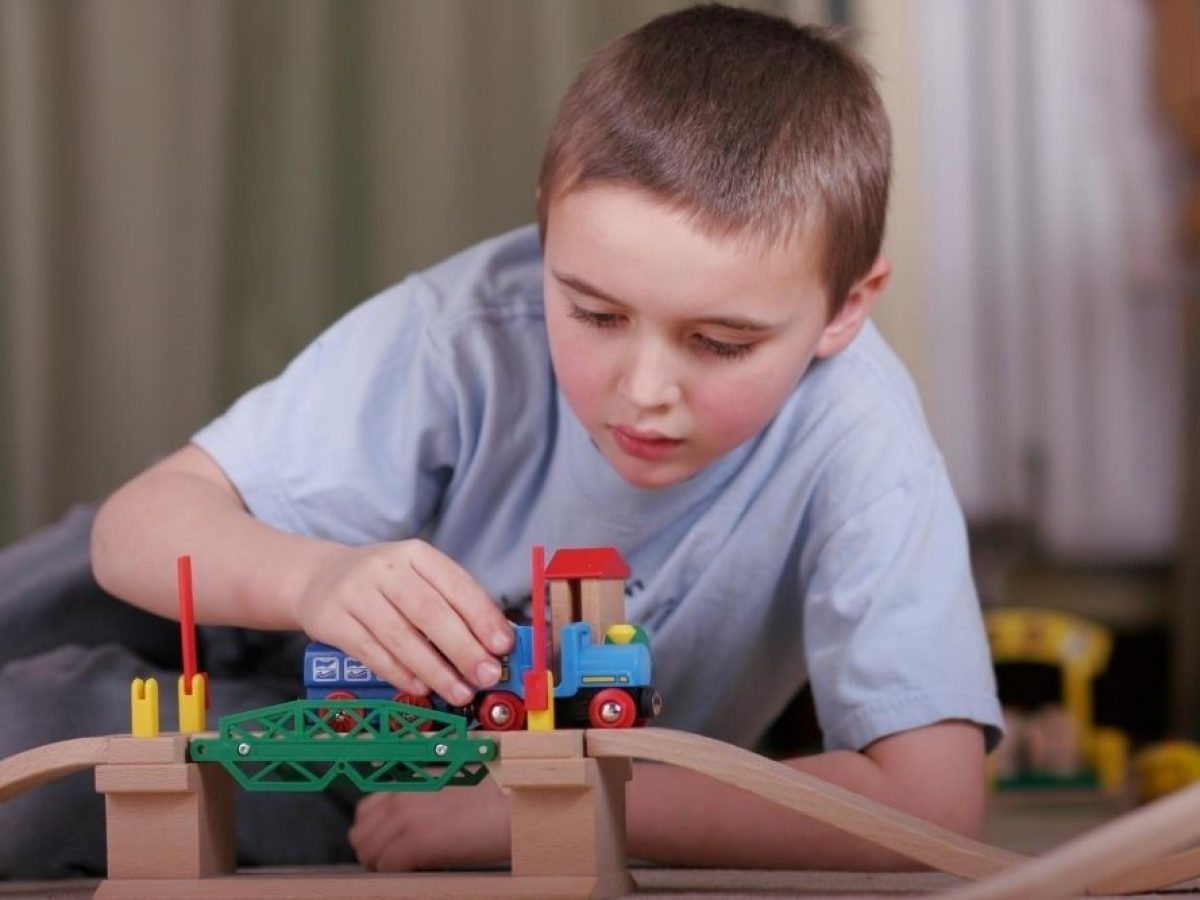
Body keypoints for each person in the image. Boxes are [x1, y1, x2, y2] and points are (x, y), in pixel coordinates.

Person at [89, 3, 1002, 873]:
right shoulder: (462, 330)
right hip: (261, 583)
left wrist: (536, 807)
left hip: (383, 760)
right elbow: (137, 527)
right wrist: (315, 577)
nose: (645, 394)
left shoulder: (863, 439)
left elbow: (929, 799)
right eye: (596, 313)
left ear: (846, 309)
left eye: (721, 344)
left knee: (66, 777)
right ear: (545, 228)